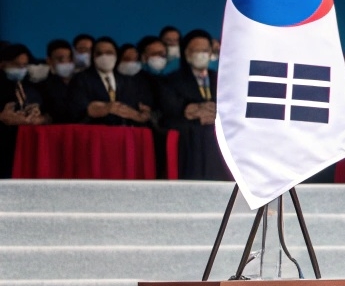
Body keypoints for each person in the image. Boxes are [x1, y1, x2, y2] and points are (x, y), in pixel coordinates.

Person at [162, 29, 228, 179]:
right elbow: (170, 110)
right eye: (196, 50)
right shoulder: (172, 80)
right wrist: (195, 112)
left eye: (205, 50)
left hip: (218, 143)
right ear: (186, 53)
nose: (201, 54)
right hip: (191, 145)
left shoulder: (221, 78)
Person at [72, 37, 156, 129]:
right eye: (99, 53)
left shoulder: (126, 80)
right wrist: (99, 110)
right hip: (95, 134)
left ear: (116, 55)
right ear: (93, 56)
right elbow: (77, 111)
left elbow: (136, 109)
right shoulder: (81, 79)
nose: (104, 57)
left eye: (109, 53)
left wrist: (142, 115)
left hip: (123, 135)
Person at [2, 43, 52, 175]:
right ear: (2, 65)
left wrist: (41, 119)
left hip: (28, 147)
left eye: (24, 65)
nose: (21, 69)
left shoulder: (33, 86)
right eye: (16, 65)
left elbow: (52, 113)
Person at [39, 40, 79, 124]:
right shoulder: (42, 87)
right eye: (60, 59)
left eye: (69, 58)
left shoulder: (82, 82)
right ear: (49, 61)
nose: (65, 62)